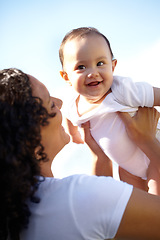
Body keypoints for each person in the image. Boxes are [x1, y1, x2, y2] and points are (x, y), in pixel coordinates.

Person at [1, 69, 160, 240]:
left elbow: (99, 224)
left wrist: (99, 157)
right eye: (50, 103)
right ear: (30, 135)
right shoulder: (74, 200)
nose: (60, 102)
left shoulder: (15, 214)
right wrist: (149, 144)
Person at [59, 26, 160, 194]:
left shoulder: (122, 90)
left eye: (100, 63)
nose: (93, 73)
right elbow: (69, 118)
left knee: (155, 204)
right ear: (66, 77)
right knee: (133, 202)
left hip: (154, 157)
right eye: (81, 67)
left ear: (113, 66)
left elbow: (157, 94)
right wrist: (74, 135)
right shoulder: (73, 106)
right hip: (127, 168)